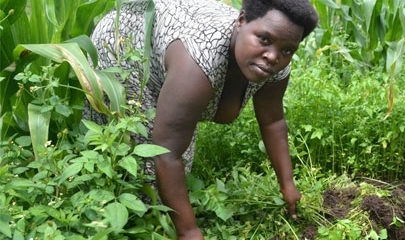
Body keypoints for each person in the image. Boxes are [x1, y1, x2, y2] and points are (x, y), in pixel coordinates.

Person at [90, 0, 318, 239]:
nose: (273, 56)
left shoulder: (275, 63)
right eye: (264, 39)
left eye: (287, 50)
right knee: (143, 182)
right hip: (127, 43)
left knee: (175, 155)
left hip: (178, 46)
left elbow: (272, 120)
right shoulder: (197, 62)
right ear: (241, 22)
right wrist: (188, 231)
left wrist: (288, 183)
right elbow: (165, 152)